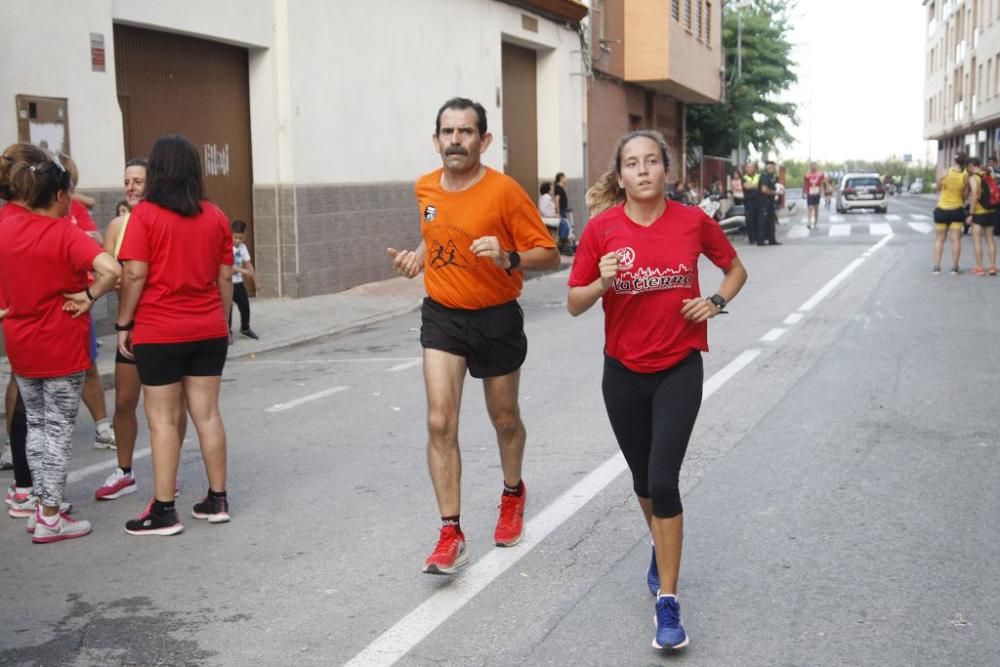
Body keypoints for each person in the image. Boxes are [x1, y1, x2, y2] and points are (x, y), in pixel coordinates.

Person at [569, 129, 747, 650]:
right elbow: (575, 302)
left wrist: (714, 301)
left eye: (652, 161)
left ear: (666, 170)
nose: (643, 170)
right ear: (620, 175)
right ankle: (659, 543)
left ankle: (668, 601)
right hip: (622, 372)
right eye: (632, 163)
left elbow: (735, 268)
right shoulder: (602, 230)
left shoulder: (693, 222)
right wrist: (601, 282)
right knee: (643, 481)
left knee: (664, 482)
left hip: (678, 368)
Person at [386, 97, 560, 574]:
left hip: (496, 317)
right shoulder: (425, 187)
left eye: (466, 132)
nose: (456, 140)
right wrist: (417, 258)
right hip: (443, 316)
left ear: (483, 141)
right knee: (440, 422)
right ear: (436, 139)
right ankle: (450, 531)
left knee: (504, 419)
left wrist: (508, 256)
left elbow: (550, 253)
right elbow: (436, 228)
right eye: (448, 132)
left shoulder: (504, 193)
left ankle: (512, 491)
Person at [116, 134, 234, 536]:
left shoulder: (145, 216)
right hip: (207, 329)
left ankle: (164, 510)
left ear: (157, 171)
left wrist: (123, 324)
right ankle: (217, 499)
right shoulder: (215, 215)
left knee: (163, 421)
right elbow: (224, 278)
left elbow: (134, 273)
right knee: (208, 414)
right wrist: (222, 322)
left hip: (160, 330)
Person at [0, 154, 121, 542]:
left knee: (35, 425)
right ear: (58, 195)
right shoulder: (63, 233)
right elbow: (112, 270)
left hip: (21, 344)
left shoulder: (6, 224)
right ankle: (51, 516)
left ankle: (41, 503)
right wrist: (89, 295)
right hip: (61, 344)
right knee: (58, 431)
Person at [94, 158, 191, 501]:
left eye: (138, 181)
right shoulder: (117, 225)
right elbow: (103, 271)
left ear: (152, 184)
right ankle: (124, 471)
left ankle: (171, 472)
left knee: (167, 407)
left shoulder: (165, 221)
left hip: (160, 325)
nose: (131, 187)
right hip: (129, 326)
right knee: (123, 401)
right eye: (127, 181)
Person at [60, 154, 117, 451]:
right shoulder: (28, 215)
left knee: (88, 365)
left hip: (78, 299)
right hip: (42, 304)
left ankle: (102, 427)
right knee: (24, 375)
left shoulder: (76, 208)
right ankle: (15, 442)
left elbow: (94, 239)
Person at [933, 153, 969, 274]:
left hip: (942, 209)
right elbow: (965, 196)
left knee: (939, 239)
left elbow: (937, 188)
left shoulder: (945, 172)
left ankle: (937, 267)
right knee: (956, 239)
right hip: (956, 210)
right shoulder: (965, 176)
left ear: (954, 161)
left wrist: (941, 180)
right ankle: (954, 268)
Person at [966, 158, 997, 275]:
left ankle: (980, 267)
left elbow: (974, 195)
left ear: (971, 165)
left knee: (977, 239)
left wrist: (971, 213)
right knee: (990, 239)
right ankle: (993, 266)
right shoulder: (989, 176)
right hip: (991, 210)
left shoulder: (974, 178)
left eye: (968, 167)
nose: (967, 169)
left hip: (979, 212)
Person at [230, 220, 259, 340]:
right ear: (231, 234)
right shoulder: (226, 246)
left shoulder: (243, 248)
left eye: (240, 238)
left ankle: (245, 328)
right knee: (228, 308)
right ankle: (227, 332)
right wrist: (244, 272)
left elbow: (249, 265)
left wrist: (256, 281)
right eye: (235, 237)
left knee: (245, 305)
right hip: (226, 282)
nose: (237, 240)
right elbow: (228, 267)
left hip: (238, 282)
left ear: (244, 236)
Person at [759, 161, 781, 245]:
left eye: (773, 167)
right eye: (770, 167)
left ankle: (772, 240)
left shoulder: (771, 177)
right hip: (764, 202)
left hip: (770, 202)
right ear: (767, 168)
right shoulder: (765, 176)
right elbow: (764, 190)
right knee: (763, 221)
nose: (772, 168)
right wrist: (775, 193)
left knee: (771, 221)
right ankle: (761, 240)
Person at [553, 172, 573, 254]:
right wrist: (557, 211)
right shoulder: (558, 187)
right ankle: (563, 244)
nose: (566, 179)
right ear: (561, 178)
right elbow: (557, 199)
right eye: (565, 177)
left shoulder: (560, 187)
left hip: (563, 210)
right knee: (565, 226)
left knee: (565, 226)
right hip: (561, 211)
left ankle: (563, 244)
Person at [742, 162, 762, 244]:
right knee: (750, 220)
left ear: (755, 168)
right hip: (749, 202)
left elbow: (762, 186)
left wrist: (753, 185)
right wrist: (757, 185)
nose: (750, 169)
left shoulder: (758, 176)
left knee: (758, 219)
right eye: (748, 167)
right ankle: (752, 238)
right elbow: (747, 186)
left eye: (751, 167)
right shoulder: (744, 177)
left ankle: (758, 237)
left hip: (759, 201)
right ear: (746, 169)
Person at [803, 162, 826, 229]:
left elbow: (823, 182)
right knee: (810, 208)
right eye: (812, 166)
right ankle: (809, 223)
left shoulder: (820, 174)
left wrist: (823, 191)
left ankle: (816, 223)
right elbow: (804, 184)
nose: (813, 167)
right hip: (809, 193)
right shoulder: (806, 174)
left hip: (817, 193)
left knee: (816, 208)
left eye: (815, 165)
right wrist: (803, 192)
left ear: (816, 166)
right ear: (810, 166)